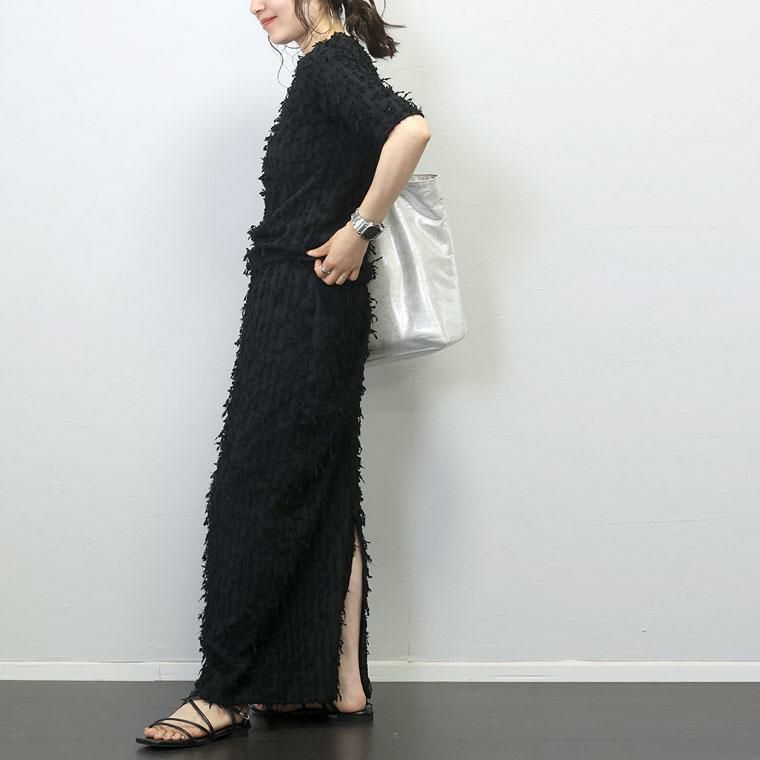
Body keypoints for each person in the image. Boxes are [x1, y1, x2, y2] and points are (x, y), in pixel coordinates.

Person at [137, 0, 429, 748]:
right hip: (308, 298)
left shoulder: (331, 61)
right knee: (322, 484)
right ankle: (337, 684)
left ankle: (224, 693)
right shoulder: (322, 66)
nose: (256, 4)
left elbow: (410, 130)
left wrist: (359, 228)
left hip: (303, 302)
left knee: (256, 487)